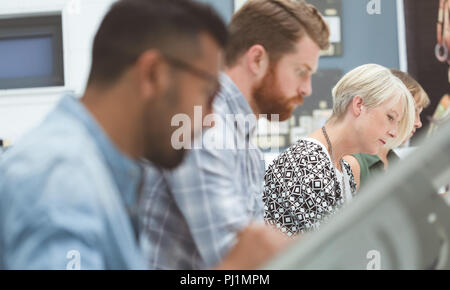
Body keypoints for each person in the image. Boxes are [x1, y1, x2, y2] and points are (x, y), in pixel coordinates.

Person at [0, 0, 290, 270]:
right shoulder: (62, 178)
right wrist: (234, 268)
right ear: (153, 74)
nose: (210, 120)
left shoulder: (108, 172)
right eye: (207, 94)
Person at [140, 0, 330, 269]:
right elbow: (238, 262)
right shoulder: (205, 128)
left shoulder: (243, 141)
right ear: (257, 60)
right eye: (301, 71)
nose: (307, 89)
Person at [263, 64, 416, 237]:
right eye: (390, 117)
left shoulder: (342, 168)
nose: (394, 132)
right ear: (359, 105)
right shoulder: (305, 164)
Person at [343, 70, 431, 190]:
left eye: (419, 113)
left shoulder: (396, 162)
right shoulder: (351, 163)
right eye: (413, 111)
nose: (418, 123)